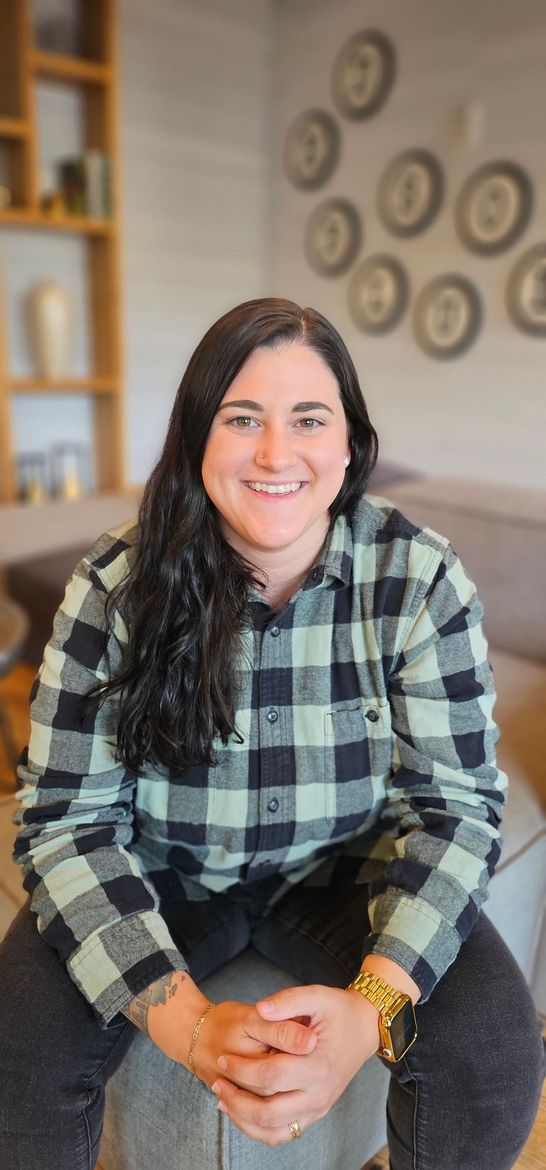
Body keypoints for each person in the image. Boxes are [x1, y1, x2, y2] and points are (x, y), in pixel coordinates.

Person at [0, 298, 543, 1170]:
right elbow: (67, 821)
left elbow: (456, 810)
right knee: (15, 1058)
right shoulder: (115, 586)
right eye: (241, 418)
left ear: (350, 446)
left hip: (346, 872)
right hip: (162, 867)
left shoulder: (417, 579)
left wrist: (371, 1008)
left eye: (308, 420)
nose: (275, 454)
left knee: (493, 1058)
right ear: (195, 439)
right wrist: (187, 1026)